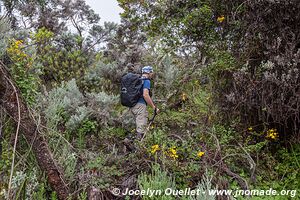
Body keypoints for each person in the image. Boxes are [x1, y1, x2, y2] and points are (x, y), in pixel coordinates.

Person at [130, 66, 160, 139]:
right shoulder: (146, 81)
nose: (152, 74)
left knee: (136, 127)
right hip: (140, 106)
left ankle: (129, 144)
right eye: (151, 72)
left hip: (132, 105)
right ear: (149, 72)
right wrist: (154, 107)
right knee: (141, 129)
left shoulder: (137, 80)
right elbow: (145, 94)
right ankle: (137, 148)